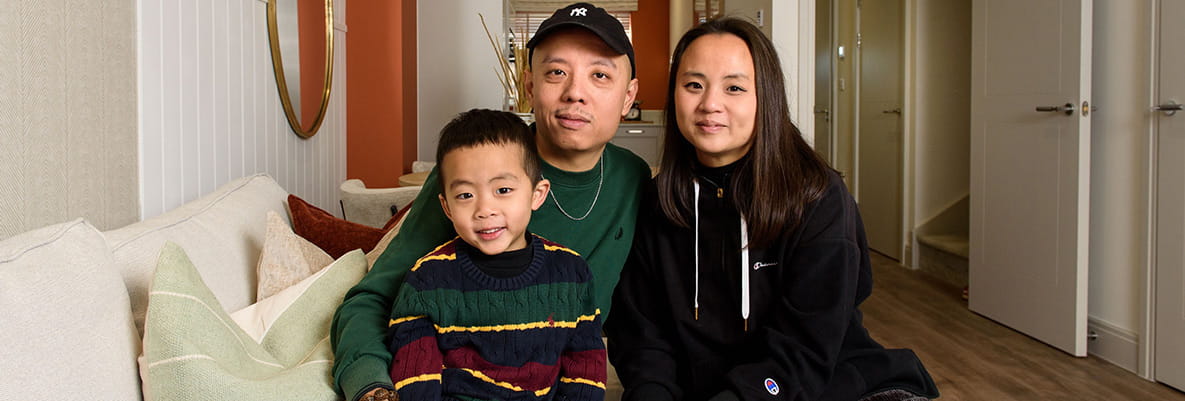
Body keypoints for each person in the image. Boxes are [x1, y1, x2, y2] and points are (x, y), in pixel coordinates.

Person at [604, 18, 940, 401]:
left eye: (734, 87)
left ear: (767, 96)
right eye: (693, 85)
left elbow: (805, 348)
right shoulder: (658, 200)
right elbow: (643, 337)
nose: (710, 104)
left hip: (821, 385)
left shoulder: (817, 197)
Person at [331, 3, 650, 401]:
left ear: (628, 96)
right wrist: (370, 385)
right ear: (531, 87)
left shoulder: (636, 179)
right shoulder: (477, 171)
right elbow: (374, 299)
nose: (575, 93)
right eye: (556, 73)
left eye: (600, 75)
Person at [385, 109, 605, 401]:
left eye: (503, 189)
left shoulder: (571, 273)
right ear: (447, 207)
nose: (485, 209)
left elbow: (586, 370)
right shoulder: (427, 280)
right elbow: (416, 380)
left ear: (536, 194)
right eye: (465, 195)